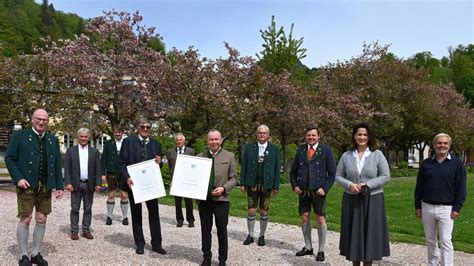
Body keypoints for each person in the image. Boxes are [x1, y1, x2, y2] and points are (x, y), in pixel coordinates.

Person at [5, 108, 64, 266]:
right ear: (32, 119)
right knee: (26, 218)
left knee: (41, 219)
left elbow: (57, 164)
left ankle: (36, 253)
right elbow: (9, 159)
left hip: (45, 185)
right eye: (38, 119)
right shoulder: (20, 136)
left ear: (48, 122)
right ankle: (23, 255)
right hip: (26, 184)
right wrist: (18, 178)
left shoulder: (52, 139)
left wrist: (59, 186)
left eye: (44, 119)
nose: (41, 122)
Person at [335, 123, 390, 265]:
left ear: (369, 136)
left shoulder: (377, 154)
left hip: (373, 200)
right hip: (351, 199)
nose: (362, 137)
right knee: (354, 234)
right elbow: (338, 176)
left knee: (369, 235)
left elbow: (385, 176)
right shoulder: (346, 155)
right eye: (359, 134)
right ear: (354, 136)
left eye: (365, 134)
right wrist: (349, 185)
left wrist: (368, 185)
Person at [414, 133, 467, 266]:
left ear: (449, 146)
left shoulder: (457, 164)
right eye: (439, 143)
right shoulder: (426, 164)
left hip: (447, 209)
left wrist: (457, 207)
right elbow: (419, 186)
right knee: (430, 240)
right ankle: (432, 263)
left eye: (445, 143)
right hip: (427, 207)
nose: (442, 145)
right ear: (434, 145)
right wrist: (417, 206)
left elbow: (461, 188)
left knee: (445, 241)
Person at [119, 118, 166, 255]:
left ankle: (157, 244)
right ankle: (139, 243)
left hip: (151, 185)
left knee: (154, 214)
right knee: (136, 214)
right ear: (138, 128)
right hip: (134, 184)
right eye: (143, 127)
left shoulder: (156, 144)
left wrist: (160, 162)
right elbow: (122, 163)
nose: (145, 129)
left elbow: (158, 164)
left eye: (148, 127)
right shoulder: (128, 142)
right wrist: (127, 177)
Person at [290, 126, 336, 262]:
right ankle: (308, 247)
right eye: (308, 135)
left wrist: (325, 188)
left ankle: (321, 250)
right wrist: (295, 185)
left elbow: (332, 174)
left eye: (313, 135)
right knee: (304, 218)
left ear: (318, 136)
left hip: (319, 191)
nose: (311, 137)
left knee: (320, 219)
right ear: (305, 137)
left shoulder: (326, 150)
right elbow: (293, 172)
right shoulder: (301, 150)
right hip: (303, 191)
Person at [197, 129, 237, 266]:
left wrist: (224, 188)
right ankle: (206, 257)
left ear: (221, 140)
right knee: (205, 230)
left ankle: (222, 259)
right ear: (207, 141)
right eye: (211, 139)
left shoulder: (229, 156)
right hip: (204, 200)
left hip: (221, 201)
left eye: (216, 139)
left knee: (221, 230)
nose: (214, 142)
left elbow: (234, 178)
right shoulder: (200, 157)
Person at [240, 124, 280, 246]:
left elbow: (277, 168)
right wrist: (242, 183)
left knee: (264, 211)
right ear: (257, 134)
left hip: (267, 184)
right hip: (252, 183)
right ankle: (251, 235)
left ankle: (262, 235)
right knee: (251, 210)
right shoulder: (248, 148)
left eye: (264, 133)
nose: (262, 135)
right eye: (260, 133)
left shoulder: (274, 149)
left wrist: (276, 186)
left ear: (268, 135)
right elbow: (244, 166)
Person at [64, 128, 102, 240]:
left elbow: (98, 169)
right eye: (81, 136)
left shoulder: (94, 152)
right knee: (75, 208)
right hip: (75, 184)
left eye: (86, 136)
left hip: (89, 184)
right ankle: (74, 231)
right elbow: (67, 169)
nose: (83, 139)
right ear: (78, 137)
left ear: (88, 138)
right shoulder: (71, 151)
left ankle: (86, 230)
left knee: (88, 209)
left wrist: (98, 183)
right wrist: (67, 183)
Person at [101, 126, 129, 226]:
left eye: (119, 132)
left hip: (123, 172)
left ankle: (125, 217)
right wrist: (102, 174)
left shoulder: (127, 142)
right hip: (111, 172)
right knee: (111, 194)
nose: (117, 134)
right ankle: (109, 216)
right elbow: (104, 158)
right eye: (116, 132)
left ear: (122, 133)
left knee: (124, 195)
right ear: (113, 133)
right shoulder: (108, 143)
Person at [167, 132, 196, 228]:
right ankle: (179, 220)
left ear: (184, 141)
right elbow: (170, 167)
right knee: (178, 202)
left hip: (187, 180)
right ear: (175, 141)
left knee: (189, 201)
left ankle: (190, 220)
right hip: (176, 181)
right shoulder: (171, 152)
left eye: (180, 140)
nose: (179, 141)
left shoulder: (191, 151)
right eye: (177, 140)